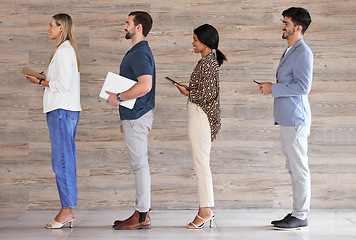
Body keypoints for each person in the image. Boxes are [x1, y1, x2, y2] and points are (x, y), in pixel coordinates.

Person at [258, 7, 313, 230]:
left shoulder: (303, 52)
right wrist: (273, 88)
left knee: (299, 168)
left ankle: (301, 215)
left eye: (286, 23)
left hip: (296, 119)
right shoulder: (291, 50)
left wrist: (274, 88)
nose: (282, 26)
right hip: (287, 119)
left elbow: (303, 86)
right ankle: (297, 212)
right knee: (293, 167)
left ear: (297, 28)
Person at [25, 13, 81, 229]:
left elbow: (62, 84)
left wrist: (40, 81)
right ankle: (67, 208)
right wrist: (42, 79)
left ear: (61, 27)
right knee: (64, 160)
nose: (47, 28)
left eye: (51, 25)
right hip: (63, 110)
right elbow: (60, 81)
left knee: (62, 162)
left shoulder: (65, 51)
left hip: (61, 110)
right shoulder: (64, 51)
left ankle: (67, 210)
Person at [106, 11, 155, 230]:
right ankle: (143, 213)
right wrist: (124, 114)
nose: (124, 26)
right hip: (134, 116)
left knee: (139, 165)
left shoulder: (139, 53)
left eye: (127, 23)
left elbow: (145, 85)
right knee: (139, 165)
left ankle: (142, 214)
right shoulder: (138, 51)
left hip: (137, 116)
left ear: (138, 27)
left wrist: (118, 98)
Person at [174, 24, 226, 229]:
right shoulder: (206, 62)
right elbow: (204, 91)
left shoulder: (209, 63)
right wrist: (190, 90)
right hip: (198, 115)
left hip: (201, 116)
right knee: (201, 163)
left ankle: (205, 210)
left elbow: (207, 96)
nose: (193, 43)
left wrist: (187, 93)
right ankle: (205, 209)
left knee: (201, 164)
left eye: (195, 38)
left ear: (205, 41)